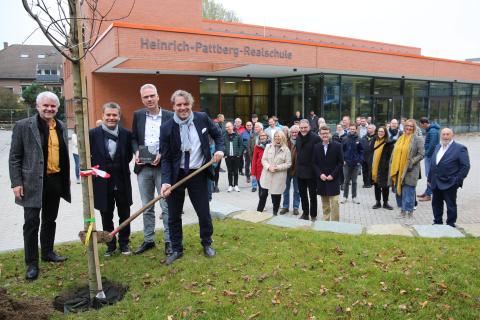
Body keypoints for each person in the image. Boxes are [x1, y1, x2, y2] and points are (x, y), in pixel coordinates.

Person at [9, 91, 71, 280]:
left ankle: (48, 252)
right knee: (31, 223)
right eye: (45, 105)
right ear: (37, 107)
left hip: (55, 181)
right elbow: (15, 157)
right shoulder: (23, 126)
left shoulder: (61, 126)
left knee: (50, 220)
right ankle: (31, 263)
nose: (49, 109)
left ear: (57, 108)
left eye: (53, 106)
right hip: (31, 183)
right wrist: (16, 182)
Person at [160, 90, 224, 265]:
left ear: (191, 104)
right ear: (173, 106)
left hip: (198, 172)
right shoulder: (166, 127)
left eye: (185, 104)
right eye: (179, 105)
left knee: (203, 212)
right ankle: (176, 249)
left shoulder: (202, 118)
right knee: (173, 215)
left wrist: (219, 149)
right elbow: (165, 157)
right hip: (176, 176)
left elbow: (218, 134)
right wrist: (165, 181)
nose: (182, 108)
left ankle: (207, 243)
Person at [131, 84, 173, 256]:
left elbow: (173, 141)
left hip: (163, 168)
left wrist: (162, 154)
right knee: (147, 206)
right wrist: (136, 151)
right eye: (145, 97)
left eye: (152, 96)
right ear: (142, 99)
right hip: (144, 167)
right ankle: (149, 240)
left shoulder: (170, 116)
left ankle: (170, 240)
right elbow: (134, 137)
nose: (149, 99)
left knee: (166, 206)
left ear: (158, 96)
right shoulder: (138, 115)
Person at [89, 102, 133, 256]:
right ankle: (110, 244)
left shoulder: (126, 134)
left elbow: (128, 156)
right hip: (102, 183)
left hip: (122, 181)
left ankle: (124, 243)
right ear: (103, 116)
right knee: (106, 215)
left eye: (115, 115)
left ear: (119, 116)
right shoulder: (93, 134)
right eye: (108, 115)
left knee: (124, 214)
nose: (111, 118)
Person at [428, 128, 470, 227]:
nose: (445, 136)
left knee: (451, 205)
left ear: (452, 135)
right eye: (443, 134)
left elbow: (465, 166)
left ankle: (450, 224)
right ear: (440, 135)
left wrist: (457, 180)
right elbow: (433, 164)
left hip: (450, 183)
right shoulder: (437, 147)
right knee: (436, 204)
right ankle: (437, 222)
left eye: (448, 134)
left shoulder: (460, 148)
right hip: (435, 182)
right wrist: (429, 179)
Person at [389, 119, 424, 219]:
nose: (409, 128)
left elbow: (421, 154)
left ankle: (410, 212)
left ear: (414, 128)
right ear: (404, 127)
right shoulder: (401, 138)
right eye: (407, 126)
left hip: (410, 170)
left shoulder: (418, 139)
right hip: (398, 169)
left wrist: (411, 162)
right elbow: (395, 152)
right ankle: (402, 211)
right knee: (399, 191)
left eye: (411, 126)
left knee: (409, 191)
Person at [313, 126, 344, 221]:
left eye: (326, 133)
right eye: (323, 133)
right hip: (322, 179)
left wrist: (332, 175)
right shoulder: (316, 147)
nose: (325, 135)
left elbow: (340, 162)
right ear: (320, 134)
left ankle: (335, 223)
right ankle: (326, 222)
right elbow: (314, 163)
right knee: (325, 203)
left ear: (330, 133)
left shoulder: (337, 146)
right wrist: (320, 174)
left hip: (333, 179)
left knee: (334, 202)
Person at [257, 131, 291, 215]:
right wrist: (269, 167)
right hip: (267, 175)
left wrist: (277, 167)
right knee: (263, 195)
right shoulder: (268, 147)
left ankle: (275, 213)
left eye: (279, 136)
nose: (277, 138)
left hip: (278, 177)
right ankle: (258, 213)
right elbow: (263, 159)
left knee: (276, 196)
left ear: (283, 138)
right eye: (275, 136)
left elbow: (288, 163)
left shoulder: (286, 150)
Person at [296, 119, 320, 221]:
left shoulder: (316, 138)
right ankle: (305, 213)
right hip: (300, 171)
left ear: (309, 127)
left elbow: (319, 155)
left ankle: (313, 215)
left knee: (312, 195)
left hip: (311, 172)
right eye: (301, 128)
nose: (303, 130)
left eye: (305, 127)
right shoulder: (298, 137)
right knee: (302, 194)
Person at [370, 126, 394, 210]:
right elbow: (370, 151)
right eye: (379, 131)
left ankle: (385, 202)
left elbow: (391, 156)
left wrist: (387, 166)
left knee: (385, 186)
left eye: (382, 131)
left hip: (384, 168)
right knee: (376, 185)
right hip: (374, 167)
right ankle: (378, 202)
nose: (380, 133)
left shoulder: (389, 143)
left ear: (385, 133)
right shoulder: (374, 140)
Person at [417, 117, 440, 202]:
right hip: (430, 155)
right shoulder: (431, 130)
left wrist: (426, 154)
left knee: (430, 175)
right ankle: (427, 192)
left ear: (425, 123)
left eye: (422, 125)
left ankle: (428, 195)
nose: (422, 127)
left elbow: (433, 145)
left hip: (431, 156)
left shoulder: (432, 131)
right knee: (429, 175)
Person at [279, 125, 300, 215]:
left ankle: (296, 207)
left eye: (296, 132)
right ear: (290, 133)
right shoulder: (286, 143)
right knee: (285, 189)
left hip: (297, 170)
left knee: (297, 190)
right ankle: (285, 206)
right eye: (293, 132)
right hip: (286, 170)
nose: (294, 134)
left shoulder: (301, 142)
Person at [341, 124, 364, 204]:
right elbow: (341, 151)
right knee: (346, 181)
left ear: (356, 130)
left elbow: (361, 151)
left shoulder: (359, 139)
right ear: (349, 129)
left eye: (354, 129)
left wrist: (359, 161)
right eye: (351, 129)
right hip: (346, 163)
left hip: (355, 164)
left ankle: (354, 197)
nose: (352, 130)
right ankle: (345, 197)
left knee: (354, 181)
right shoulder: (345, 139)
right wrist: (343, 160)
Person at [224, 121, 243, 192]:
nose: (227, 128)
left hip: (236, 156)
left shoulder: (238, 135)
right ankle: (230, 185)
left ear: (232, 127)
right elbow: (222, 145)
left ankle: (236, 185)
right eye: (226, 127)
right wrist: (225, 154)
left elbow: (241, 145)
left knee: (235, 171)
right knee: (229, 171)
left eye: (229, 126)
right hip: (228, 157)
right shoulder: (224, 136)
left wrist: (239, 154)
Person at [251, 131, 269, 206]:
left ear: (267, 136)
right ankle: (262, 205)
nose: (263, 137)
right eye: (261, 136)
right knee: (261, 189)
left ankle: (275, 203)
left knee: (268, 189)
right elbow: (254, 159)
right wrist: (253, 172)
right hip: (259, 170)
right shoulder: (257, 146)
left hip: (269, 170)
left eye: (264, 135)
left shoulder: (271, 145)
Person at [248, 122, 263, 192]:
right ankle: (254, 186)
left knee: (261, 171)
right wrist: (250, 155)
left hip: (261, 157)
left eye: (257, 127)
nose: (255, 128)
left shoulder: (264, 135)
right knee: (253, 170)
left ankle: (262, 184)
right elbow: (249, 145)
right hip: (253, 156)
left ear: (261, 128)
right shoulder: (252, 135)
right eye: (255, 127)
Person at [360, 124, 375, 188]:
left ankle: (369, 183)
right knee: (364, 170)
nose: (368, 129)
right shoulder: (364, 137)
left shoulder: (376, 138)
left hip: (372, 156)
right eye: (368, 128)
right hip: (364, 157)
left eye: (370, 128)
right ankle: (365, 182)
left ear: (374, 129)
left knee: (370, 170)